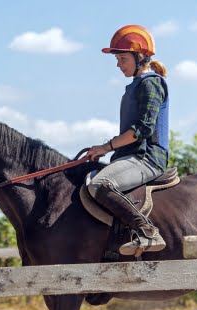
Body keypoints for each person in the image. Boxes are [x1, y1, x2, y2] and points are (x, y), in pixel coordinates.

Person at [85, 24, 170, 257]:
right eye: (118, 59)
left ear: (140, 56)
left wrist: (105, 146)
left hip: (147, 158)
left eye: (122, 58)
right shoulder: (135, 86)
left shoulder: (151, 83)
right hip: (130, 156)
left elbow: (142, 129)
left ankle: (148, 232)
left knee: (100, 185)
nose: (118, 65)